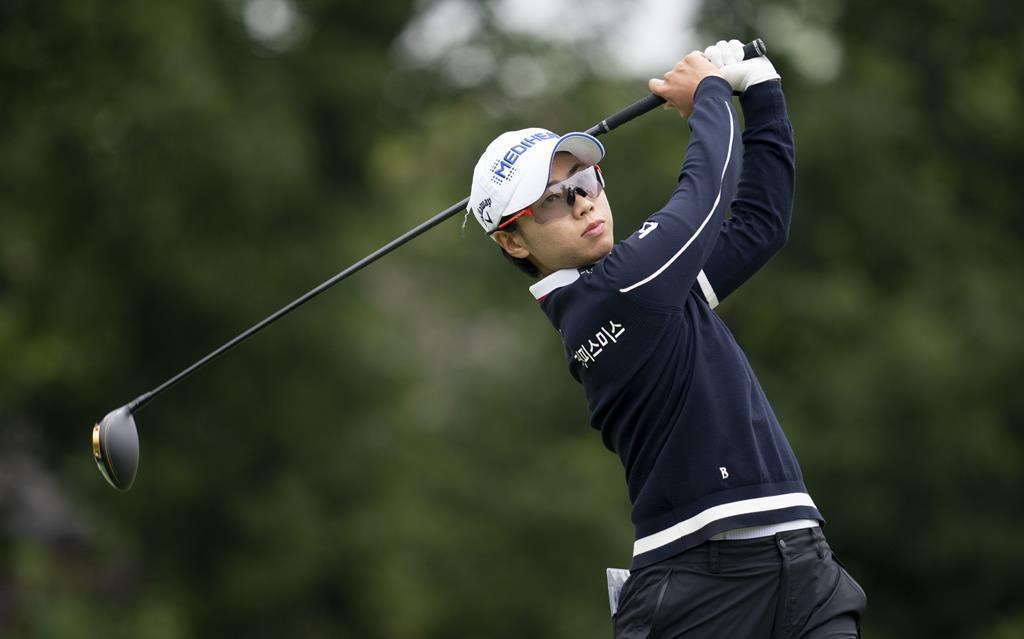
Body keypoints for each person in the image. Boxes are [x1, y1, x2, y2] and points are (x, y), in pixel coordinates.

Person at [466, 40, 867, 637]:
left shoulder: (649, 291)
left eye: (584, 180)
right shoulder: (613, 292)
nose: (582, 203)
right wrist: (706, 95)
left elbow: (760, 225)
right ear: (514, 242)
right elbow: (703, 198)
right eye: (551, 201)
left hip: (803, 563)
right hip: (697, 587)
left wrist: (762, 92)